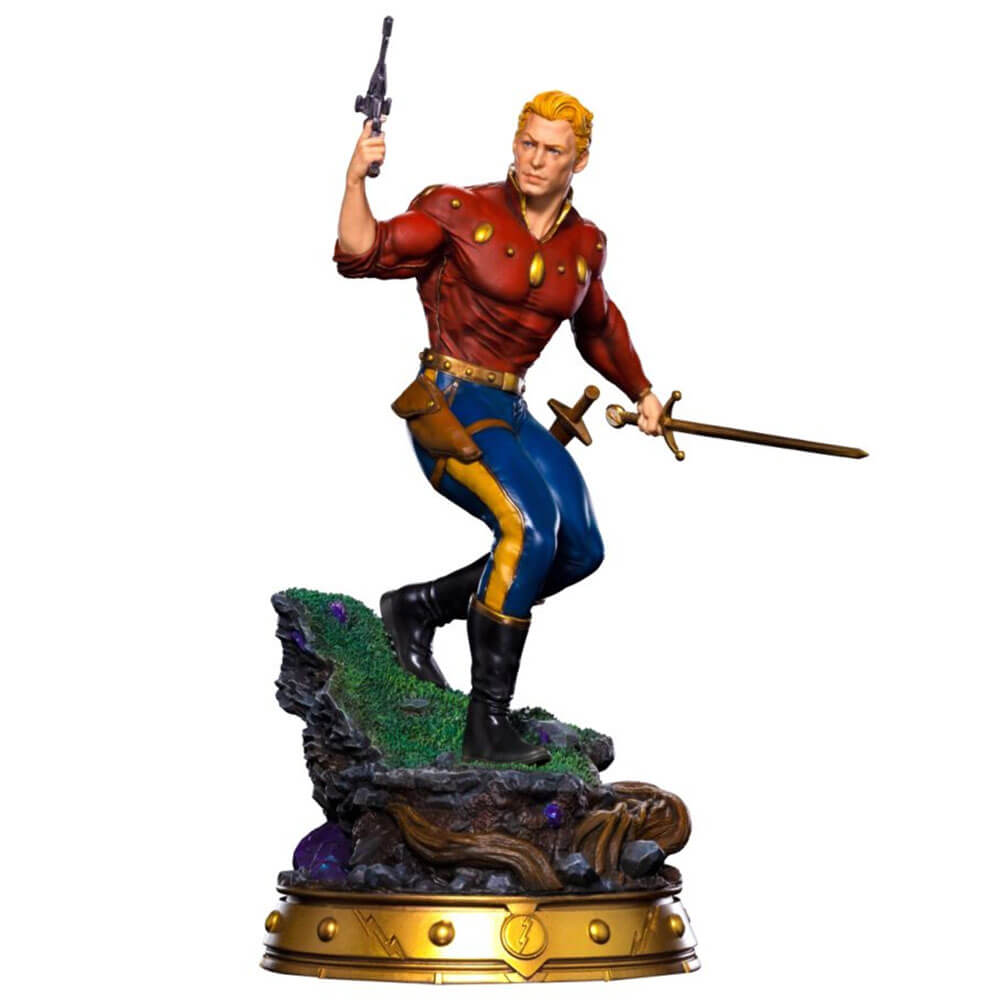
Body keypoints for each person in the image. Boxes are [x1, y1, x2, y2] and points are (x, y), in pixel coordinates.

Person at [334, 91, 664, 766]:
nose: (536, 160)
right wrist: (355, 180)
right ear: (515, 143)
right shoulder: (461, 210)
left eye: (553, 150)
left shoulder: (584, 244)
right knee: (528, 531)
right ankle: (486, 725)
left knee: (580, 550)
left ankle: (420, 607)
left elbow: (598, 327)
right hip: (451, 401)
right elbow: (365, 250)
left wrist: (644, 392)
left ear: (579, 161)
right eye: (528, 144)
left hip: (511, 408)